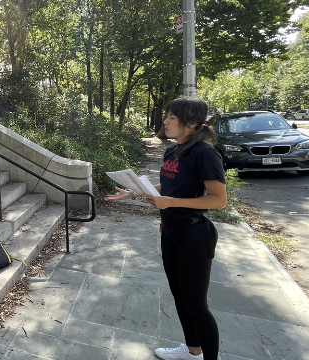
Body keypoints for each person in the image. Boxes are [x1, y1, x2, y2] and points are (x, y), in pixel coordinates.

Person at [105, 98, 226, 360]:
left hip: (195, 235)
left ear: (191, 123)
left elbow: (218, 199)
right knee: (179, 296)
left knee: (196, 304)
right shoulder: (173, 151)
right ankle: (193, 351)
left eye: (172, 117)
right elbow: (168, 187)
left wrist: (171, 202)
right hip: (170, 231)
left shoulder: (204, 153)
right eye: (167, 116)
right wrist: (133, 194)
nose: (166, 121)